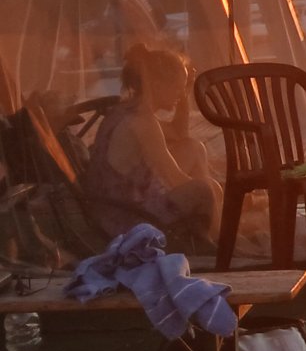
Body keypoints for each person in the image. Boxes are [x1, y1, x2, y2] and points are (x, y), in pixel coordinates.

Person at [82, 45, 221, 246]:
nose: (182, 94)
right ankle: (216, 245)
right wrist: (209, 196)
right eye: (178, 87)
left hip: (116, 205)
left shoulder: (126, 110)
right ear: (157, 84)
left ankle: (213, 236)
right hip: (126, 219)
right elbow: (176, 179)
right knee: (205, 190)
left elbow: (179, 134)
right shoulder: (143, 122)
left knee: (194, 151)